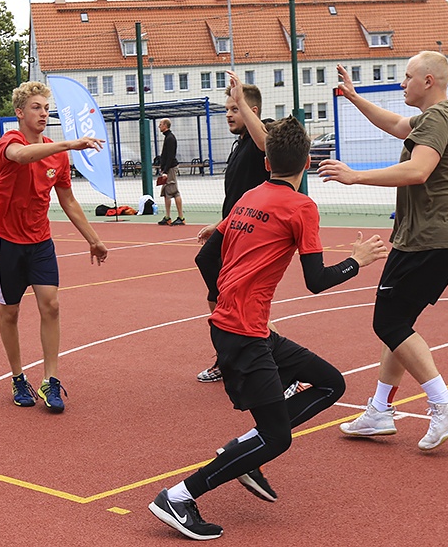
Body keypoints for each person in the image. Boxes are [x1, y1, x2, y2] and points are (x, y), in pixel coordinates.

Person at [148, 115, 387, 541]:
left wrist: (229, 278)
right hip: (243, 333)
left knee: (331, 383)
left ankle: (246, 447)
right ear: (309, 163)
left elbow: (211, 253)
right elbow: (316, 281)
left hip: (242, 327)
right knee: (279, 439)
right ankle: (181, 496)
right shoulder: (302, 207)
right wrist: (357, 261)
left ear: (265, 163)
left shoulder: (247, 198)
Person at [318, 51, 448, 451]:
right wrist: (354, 98)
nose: (401, 84)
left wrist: (355, 176)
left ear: (428, 81)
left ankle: (444, 403)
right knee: (396, 326)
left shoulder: (440, 117)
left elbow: (417, 170)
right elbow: (396, 125)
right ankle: (380, 411)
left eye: (406, 78)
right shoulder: (430, 119)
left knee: (389, 322)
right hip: (423, 239)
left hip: (431, 240)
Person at [0, 81, 108, 414]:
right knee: (10, 311)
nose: (43, 113)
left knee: (51, 305)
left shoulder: (57, 154)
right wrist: (68, 144)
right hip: (6, 239)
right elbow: (22, 156)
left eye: (46, 108)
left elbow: (67, 200)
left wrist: (93, 239)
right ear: (20, 112)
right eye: (36, 107)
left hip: (40, 240)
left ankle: (50, 380)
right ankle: (17, 377)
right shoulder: (10, 141)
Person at [194, 76, 272, 383]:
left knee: (243, 303)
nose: (228, 113)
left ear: (250, 110)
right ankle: (228, 356)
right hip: (232, 226)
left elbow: (266, 141)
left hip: (251, 233)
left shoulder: (259, 138)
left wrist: (242, 102)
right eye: (227, 108)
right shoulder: (239, 145)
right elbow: (237, 195)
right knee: (214, 277)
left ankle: (276, 366)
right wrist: (219, 223)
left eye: (234, 108)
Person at [156, 118, 185, 226]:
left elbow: (170, 156)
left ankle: (181, 217)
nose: (159, 126)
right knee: (166, 193)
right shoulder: (167, 137)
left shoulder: (170, 138)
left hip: (170, 169)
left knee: (174, 192)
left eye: (160, 124)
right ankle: (167, 217)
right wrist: (162, 168)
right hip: (166, 169)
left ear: (165, 125)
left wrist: (166, 170)